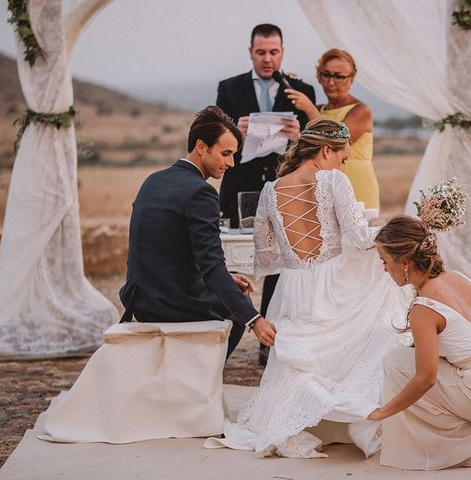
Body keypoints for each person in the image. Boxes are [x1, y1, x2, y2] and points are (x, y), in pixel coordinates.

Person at [205, 119, 410, 457]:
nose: (341, 164)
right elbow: (358, 239)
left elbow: (266, 254)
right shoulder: (333, 181)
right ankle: (353, 415)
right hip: (330, 281)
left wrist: (295, 258)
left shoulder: (271, 189)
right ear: (327, 150)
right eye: (341, 157)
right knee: (384, 296)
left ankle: (308, 413)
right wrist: (392, 231)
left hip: (291, 284)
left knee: (302, 360)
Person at [369, 208, 471, 470]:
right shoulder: (458, 278)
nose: (384, 269)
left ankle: (452, 448)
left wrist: (384, 412)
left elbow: (426, 379)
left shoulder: (423, 308)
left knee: (397, 363)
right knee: (436, 362)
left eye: (384, 261)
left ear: (405, 262)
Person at [119, 106, 276, 357]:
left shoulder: (153, 180)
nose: (231, 163)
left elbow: (166, 249)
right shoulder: (201, 193)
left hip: (140, 298)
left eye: (234, 155)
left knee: (229, 289)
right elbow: (211, 265)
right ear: (201, 147)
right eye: (226, 153)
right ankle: (204, 377)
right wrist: (255, 320)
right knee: (240, 305)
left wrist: (222, 278)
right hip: (170, 303)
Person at [216, 23, 316, 363]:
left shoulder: (301, 90)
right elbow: (218, 139)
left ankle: (268, 344)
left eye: (274, 52)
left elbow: (312, 150)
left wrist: (299, 132)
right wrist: (234, 130)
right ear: (250, 52)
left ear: (282, 53)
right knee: (227, 262)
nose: (267, 58)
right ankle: (221, 341)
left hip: (283, 189)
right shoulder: (228, 88)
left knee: (280, 266)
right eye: (261, 52)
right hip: (237, 188)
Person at [285, 48, 379, 210]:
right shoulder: (319, 109)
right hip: (324, 186)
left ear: (351, 79)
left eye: (339, 76)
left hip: (356, 183)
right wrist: (293, 83)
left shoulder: (361, 110)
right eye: (326, 74)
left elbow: (337, 139)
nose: (331, 82)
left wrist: (309, 109)